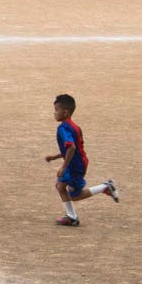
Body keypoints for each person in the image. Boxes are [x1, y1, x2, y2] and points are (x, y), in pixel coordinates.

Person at [47, 94, 118, 227]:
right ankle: (71, 217)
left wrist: (63, 167)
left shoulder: (63, 128)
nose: (54, 113)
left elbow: (72, 147)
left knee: (75, 195)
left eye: (56, 110)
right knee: (60, 186)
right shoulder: (74, 126)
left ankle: (105, 187)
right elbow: (73, 148)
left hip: (76, 166)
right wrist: (54, 157)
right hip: (76, 162)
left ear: (65, 112)